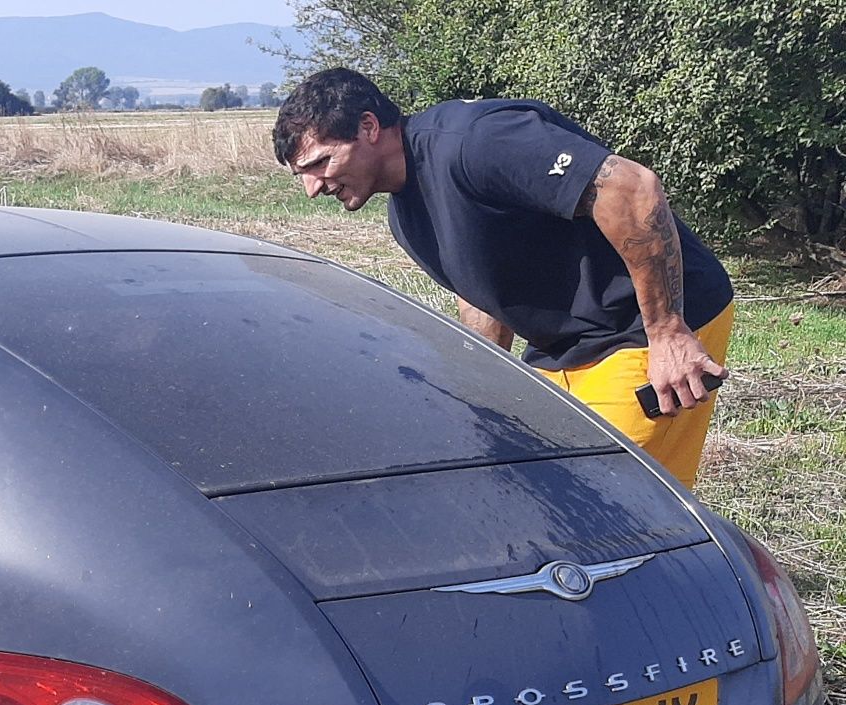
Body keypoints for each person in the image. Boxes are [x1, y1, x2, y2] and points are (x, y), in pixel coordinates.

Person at [272, 68, 733, 488]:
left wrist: (669, 331)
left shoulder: (475, 142)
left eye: (320, 163)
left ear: (369, 128)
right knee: (527, 483)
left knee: (611, 497)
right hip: (563, 348)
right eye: (302, 175)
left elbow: (630, 188)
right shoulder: (406, 216)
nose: (314, 188)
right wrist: (485, 391)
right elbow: (482, 293)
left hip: (645, 326)